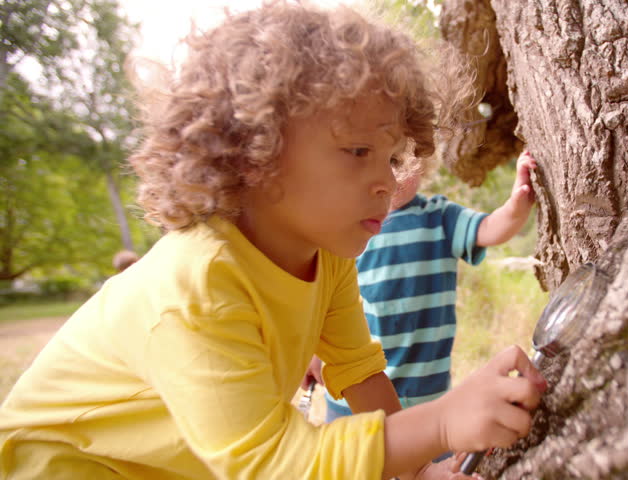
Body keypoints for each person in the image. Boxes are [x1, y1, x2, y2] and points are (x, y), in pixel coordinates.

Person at [0, 2, 546, 479]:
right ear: (253, 151)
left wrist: (416, 468)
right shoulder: (201, 281)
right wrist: (442, 421)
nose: (388, 180)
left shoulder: (326, 254)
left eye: (392, 155)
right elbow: (270, 465)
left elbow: (359, 372)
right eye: (358, 151)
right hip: (65, 463)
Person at [303, 150, 538, 433]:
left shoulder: (439, 217)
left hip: (424, 394)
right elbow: (326, 301)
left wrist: (517, 205)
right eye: (384, 161)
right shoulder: (347, 226)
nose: (392, 176)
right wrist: (314, 352)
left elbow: (490, 229)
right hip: (353, 393)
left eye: (400, 162)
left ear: (422, 162)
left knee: (426, 462)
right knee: (353, 462)